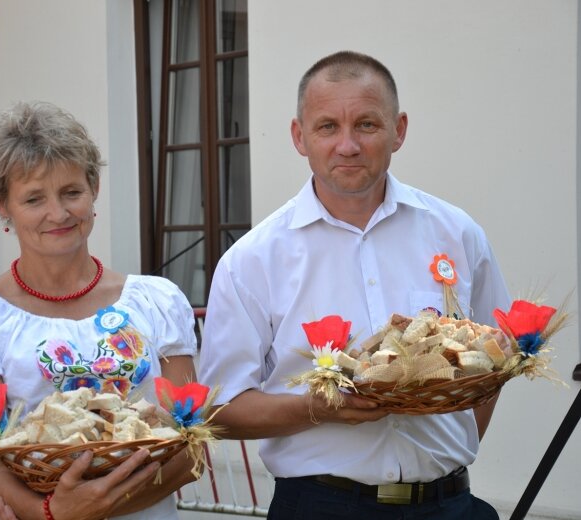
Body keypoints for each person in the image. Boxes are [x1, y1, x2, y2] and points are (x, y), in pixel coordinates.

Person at [198, 51, 510, 519]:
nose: (347, 145)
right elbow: (221, 411)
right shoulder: (252, 260)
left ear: (398, 130)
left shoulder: (457, 233)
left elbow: (495, 360)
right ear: (299, 136)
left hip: (449, 505)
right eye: (327, 127)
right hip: (322, 507)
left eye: (366, 124)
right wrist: (318, 408)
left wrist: (446, 453)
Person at [0, 101, 199, 520]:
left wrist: (94, 508)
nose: (58, 213)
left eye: (71, 192)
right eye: (34, 199)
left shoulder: (155, 302)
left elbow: (190, 445)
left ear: (94, 189)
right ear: (2, 204)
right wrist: (52, 514)